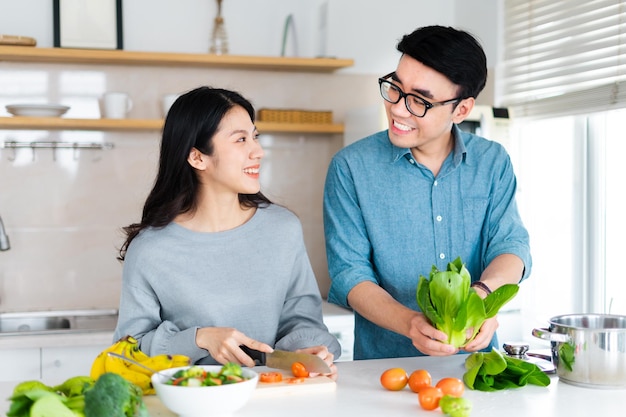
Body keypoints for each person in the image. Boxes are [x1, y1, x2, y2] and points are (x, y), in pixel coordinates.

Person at [323, 25, 531, 360]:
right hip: (383, 371)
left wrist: (482, 296)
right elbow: (350, 274)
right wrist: (410, 323)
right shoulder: (350, 167)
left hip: (474, 366)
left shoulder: (492, 161)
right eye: (395, 88)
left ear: (461, 110)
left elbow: (511, 247)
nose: (398, 109)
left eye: (420, 101)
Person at [114, 86, 340, 379]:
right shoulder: (149, 250)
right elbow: (126, 352)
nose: (257, 151)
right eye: (241, 140)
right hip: (193, 403)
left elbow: (301, 319)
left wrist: (307, 348)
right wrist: (199, 338)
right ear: (197, 158)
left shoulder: (282, 229)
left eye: (255, 136)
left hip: (275, 397)